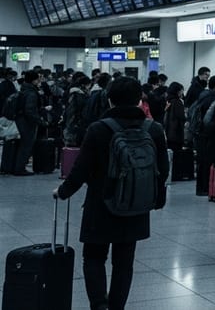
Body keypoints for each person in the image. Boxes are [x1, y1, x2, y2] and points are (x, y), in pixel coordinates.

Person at [54, 76, 169, 310]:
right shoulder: (153, 129)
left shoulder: (99, 129)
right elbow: (163, 170)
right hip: (136, 205)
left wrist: (63, 192)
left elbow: (81, 169)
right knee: (124, 263)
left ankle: (99, 305)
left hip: (101, 204)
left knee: (94, 257)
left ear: (109, 100)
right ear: (140, 100)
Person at [193, 75, 215, 197]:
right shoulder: (214, 99)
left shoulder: (203, 96)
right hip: (209, 135)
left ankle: (201, 188)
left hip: (200, 134)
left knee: (202, 162)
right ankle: (207, 188)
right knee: (208, 162)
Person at [9, 72, 44, 175]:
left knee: (21, 145)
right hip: (27, 122)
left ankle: (16, 167)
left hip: (20, 120)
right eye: (38, 79)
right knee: (26, 145)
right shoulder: (31, 93)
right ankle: (20, 169)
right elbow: (30, 110)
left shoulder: (23, 89)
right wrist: (39, 121)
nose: (39, 81)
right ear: (34, 80)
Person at [162, 82, 187, 152]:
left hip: (169, 133)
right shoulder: (178, 102)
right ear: (177, 91)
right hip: (176, 133)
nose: (182, 93)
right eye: (181, 91)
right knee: (177, 153)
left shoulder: (169, 101)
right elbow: (182, 117)